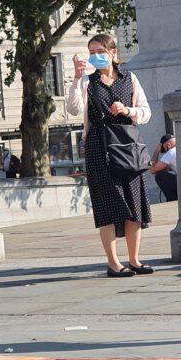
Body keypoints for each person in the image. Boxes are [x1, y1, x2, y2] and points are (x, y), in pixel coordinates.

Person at [64, 34, 154, 278]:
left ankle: (134, 260)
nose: (95, 56)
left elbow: (146, 112)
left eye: (100, 51)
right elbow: (72, 109)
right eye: (91, 52)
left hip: (127, 146)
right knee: (106, 206)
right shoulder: (87, 82)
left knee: (135, 204)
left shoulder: (129, 78)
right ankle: (114, 263)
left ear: (113, 53)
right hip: (98, 148)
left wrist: (128, 110)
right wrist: (76, 78)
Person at [151, 134, 178, 202]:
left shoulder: (170, 153)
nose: (165, 152)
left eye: (164, 149)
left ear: (168, 145)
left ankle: (172, 200)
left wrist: (157, 151)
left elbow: (152, 170)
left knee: (159, 176)